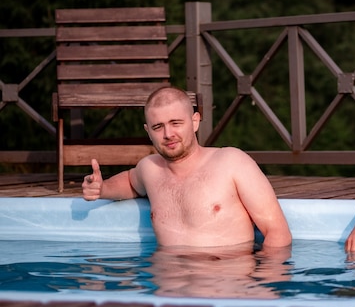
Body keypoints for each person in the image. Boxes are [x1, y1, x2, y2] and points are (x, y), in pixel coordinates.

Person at [82, 86, 292, 248]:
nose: (168, 134)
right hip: (168, 295)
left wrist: (265, 289)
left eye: (176, 123)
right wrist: (102, 189)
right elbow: (130, 181)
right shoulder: (149, 169)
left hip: (226, 289)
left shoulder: (232, 162)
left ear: (195, 121)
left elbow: (277, 232)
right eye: (158, 127)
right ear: (148, 131)